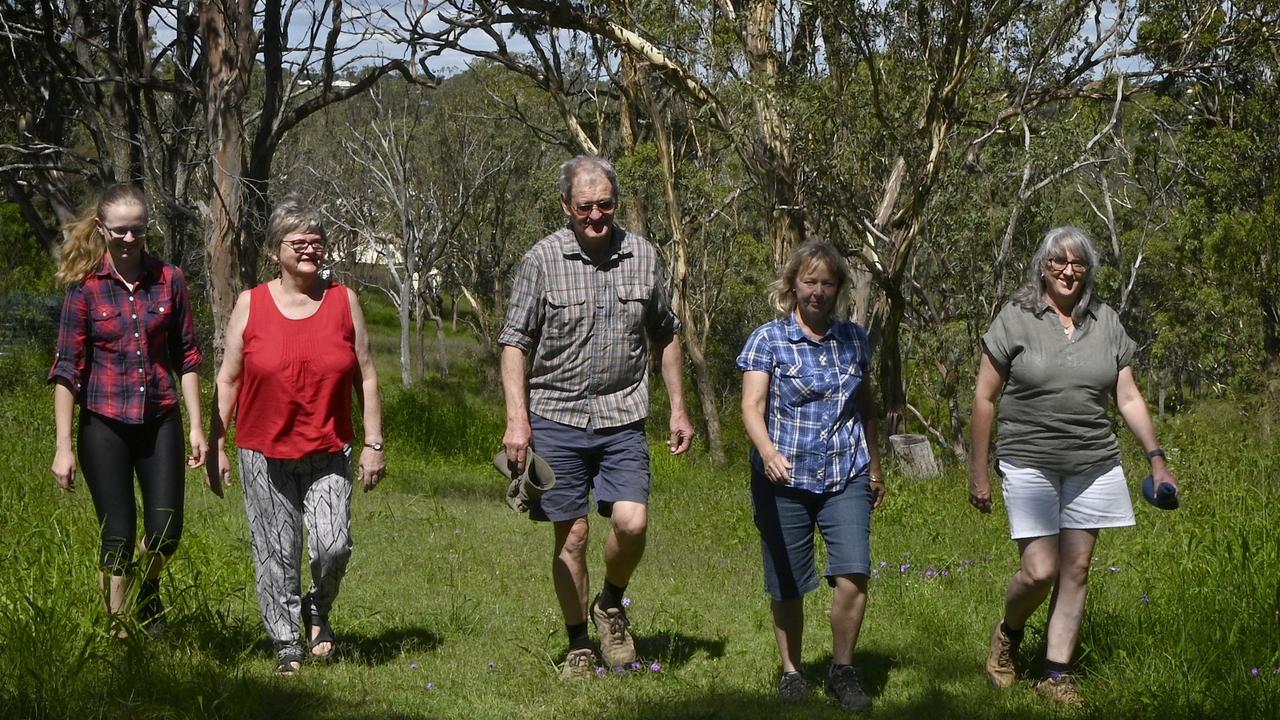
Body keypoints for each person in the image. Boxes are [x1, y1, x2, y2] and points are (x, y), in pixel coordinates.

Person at [499, 155, 695, 679]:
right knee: (574, 535)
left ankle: (611, 603)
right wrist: (517, 420)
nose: (595, 215)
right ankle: (580, 644)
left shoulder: (643, 257)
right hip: (555, 415)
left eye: (605, 204)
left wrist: (679, 407)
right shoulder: (541, 261)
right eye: (584, 206)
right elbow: (515, 342)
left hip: (622, 414)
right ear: (566, 206)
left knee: (632, 524)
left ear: (616, 202)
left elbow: (667, 332)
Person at [968, 226, 1179, 708]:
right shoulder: (1016, 317)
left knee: (1077, 568)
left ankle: (1055, 675)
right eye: (1058, 262)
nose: (1068, 271)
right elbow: (984, 397)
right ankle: (1008, 634)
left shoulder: (1105, 321)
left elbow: (1126, 396)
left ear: (1088, 270)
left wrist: (1157, 460)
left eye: (1077, 263)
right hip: (1028, 458)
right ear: (1042, 267)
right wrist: (978, 471)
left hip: (1093, 460)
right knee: (1041, 570)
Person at [208, 197, 386, 675]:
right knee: (276, 551)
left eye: (317, 240)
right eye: (298, 241)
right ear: (275, 250)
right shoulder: (251, 303)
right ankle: (286, 643)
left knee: (334, 545)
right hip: (263, 451)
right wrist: (216, 443)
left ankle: (317, 609)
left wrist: (373, 443)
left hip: (329, 448)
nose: (310, 248)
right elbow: (227, 378)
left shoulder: (343, 300)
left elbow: (366, 375)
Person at [48, 183, 207, 636]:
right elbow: (67, 371)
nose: (129, 239)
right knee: (117, 533)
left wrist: (197, 424)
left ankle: (148, 590)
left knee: (166, 531)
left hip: (160, 418)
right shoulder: (86, 288)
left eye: (137, 229)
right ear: (102, 229)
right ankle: (117, 632)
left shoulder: (170, 279)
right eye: (120, 231)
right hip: (105, 423)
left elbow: (188, 356)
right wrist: (64, 447)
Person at [737, 241, 885, 713]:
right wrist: (767, 451)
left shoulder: (855, 339)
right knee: (787, 580)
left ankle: (843, 669)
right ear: (793, 285)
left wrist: (876, 467)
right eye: (809, 281)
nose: (817, 291)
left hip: (846, 471)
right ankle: (792, 672)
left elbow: (865, 408)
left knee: (854, 573)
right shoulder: (769, 340)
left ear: (839, 288)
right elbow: (752, 406)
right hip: (783, 477)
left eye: (827, 283)